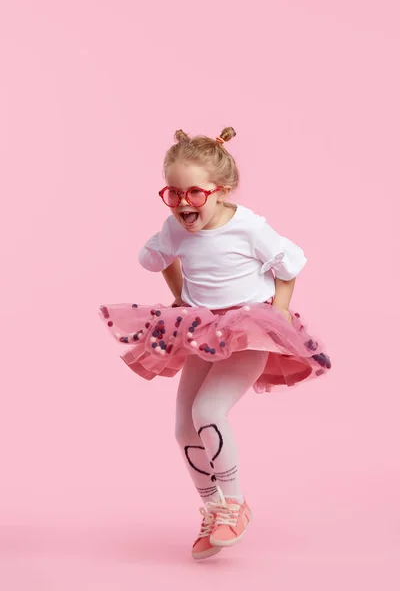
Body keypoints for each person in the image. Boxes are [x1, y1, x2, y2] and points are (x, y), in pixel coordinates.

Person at [98, 127, 331, 560]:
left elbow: (289, 264)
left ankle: (235, 505)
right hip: (202, 329)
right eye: (174, 193)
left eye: (196, 194)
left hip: (248, 326)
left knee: (209, 410)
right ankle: (212, 508)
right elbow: (158, 258)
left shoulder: (249, 227)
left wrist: (279, 309)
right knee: (184, 426)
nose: (185, 203)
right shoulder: (175, 226)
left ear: (221, 191)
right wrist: (181, 293)